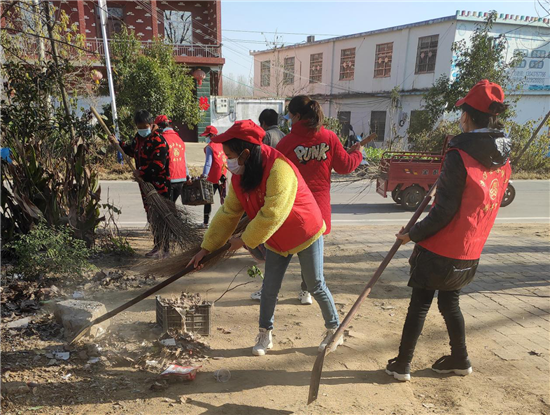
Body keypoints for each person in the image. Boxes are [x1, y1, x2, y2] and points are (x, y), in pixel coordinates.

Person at [385, 80, 512, 382]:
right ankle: (460, 358)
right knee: (449, 301)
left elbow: (443, 212)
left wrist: (412, 233)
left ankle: (402, 364)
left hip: (440, 248)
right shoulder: (504, 156)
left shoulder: (460, 154)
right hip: (470, 249)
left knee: (420, 304)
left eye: (462, 112)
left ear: (468, 115)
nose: (461, 118)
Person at [188, 120, 343, 356]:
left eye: (229, 155)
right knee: (269, 287)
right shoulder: (241, 176)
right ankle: (265, 334)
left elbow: (273, 213)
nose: (227, 161)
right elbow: (229, 213)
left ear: (246, 153)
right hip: (276, 238)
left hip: (305, 231)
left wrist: (244, 240)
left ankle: (334, 329)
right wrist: (206, 248)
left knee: (315, 284)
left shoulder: (279, 168)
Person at [264, 96, 362, 306]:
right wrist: (358, 155)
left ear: (298, 116)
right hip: (319, 211)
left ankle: (273, 289)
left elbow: (272, 174)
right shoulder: (329, 138)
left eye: (290, 116)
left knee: (288, 250)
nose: (289, 120)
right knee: (313, 257)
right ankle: (305, 290)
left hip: (293, 209)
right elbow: (345, 166)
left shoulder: (287, 143)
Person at [110, 109, 171, 258]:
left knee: (162, 217)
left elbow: (158, 165)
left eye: (145, 126)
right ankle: (157, 246)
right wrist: (119, 144)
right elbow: (131, 150)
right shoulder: (138, 138)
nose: (142, 130)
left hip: (159, 186)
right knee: (151, 216)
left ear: (151, 124)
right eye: (139, 127)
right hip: (145, 186)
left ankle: (166, 249)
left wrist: (141, 171)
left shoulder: (159, 141)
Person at [154, 115, 189, 203]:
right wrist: (187, 176)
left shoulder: (161, 139)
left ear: (159, 126)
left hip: (169, 178)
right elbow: (184, 160)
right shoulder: (179, 139)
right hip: (181, 178)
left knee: (166, 207)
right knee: (171, 205)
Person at [200, 125, 227, 228]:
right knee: (224, 201)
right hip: (224, 175)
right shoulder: (222, 144)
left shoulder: (210, 146)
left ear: (211, 135)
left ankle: (205, 222)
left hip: (212, 178)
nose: (205, 138)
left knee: (208, 200)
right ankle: (227, 223)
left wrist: (204, 175)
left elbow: (208, 163)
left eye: (206, 136)